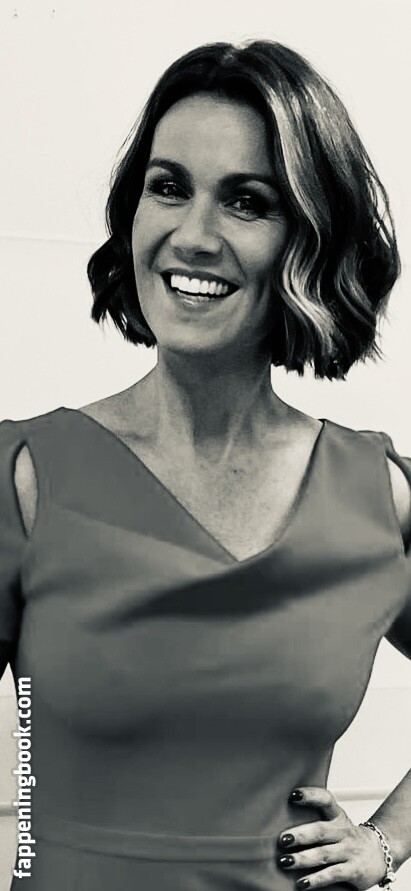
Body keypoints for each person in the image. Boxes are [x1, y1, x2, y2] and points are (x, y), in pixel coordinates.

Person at [1, 38, 410, 891]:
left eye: (247, 202)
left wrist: (385, 840)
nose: (193, 235)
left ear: (309, 239)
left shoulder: (378, 494)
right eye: (168, 187)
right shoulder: (26, 478)